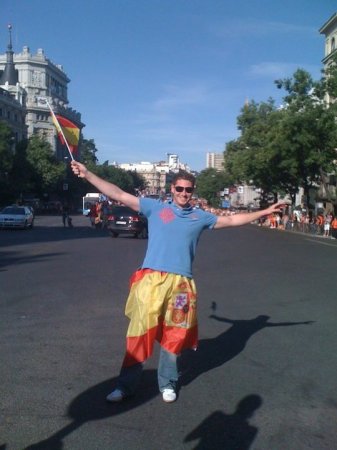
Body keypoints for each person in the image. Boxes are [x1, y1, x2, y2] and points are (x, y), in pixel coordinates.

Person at [71, 160, 287, 404]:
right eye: (180, 189)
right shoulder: (155, 208)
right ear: (172, 189)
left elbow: (233, 220)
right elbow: (118, 193)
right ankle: (125, 386)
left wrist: (264, 212)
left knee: (174, 334)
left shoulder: (200, 217)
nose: (184, 194)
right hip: (151, 280)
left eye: (189, 190)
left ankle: (168, 383)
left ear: (193, 191)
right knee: (139, 333)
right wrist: (88, 174)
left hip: (182, 285)